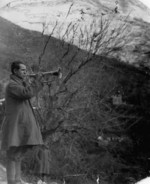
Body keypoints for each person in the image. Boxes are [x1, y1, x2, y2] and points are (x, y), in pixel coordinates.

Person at [1, 61, 44, 184]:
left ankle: (17, 181)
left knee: (18, 156)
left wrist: (37, 82)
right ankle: (12, 182)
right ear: (15, 71)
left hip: (21, 125)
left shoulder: (20, 83)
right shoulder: (12, 85)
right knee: (12, 156)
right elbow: (27, 93)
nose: (26, 72)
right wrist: (36, 81)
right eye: (23, 70)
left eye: (26, 70)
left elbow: (30, 91)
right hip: (15, 126)